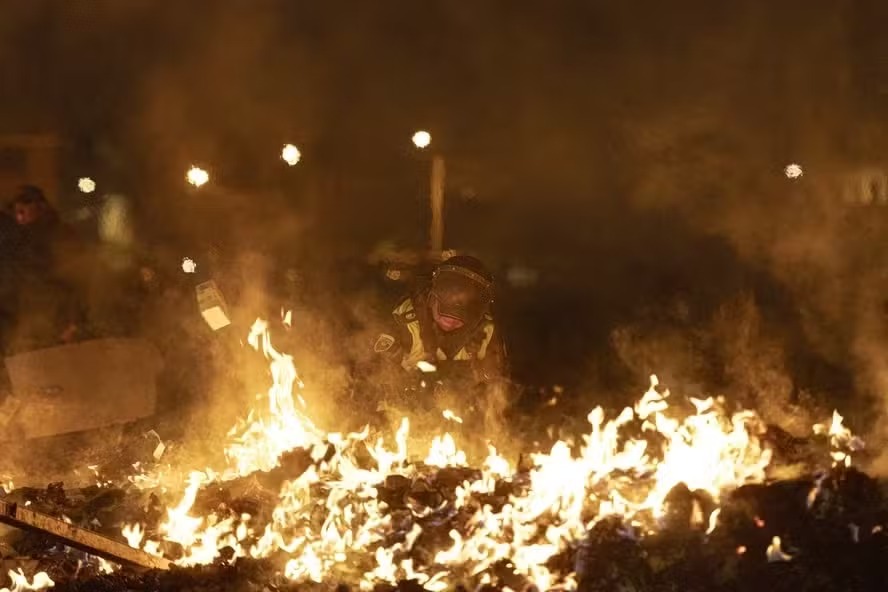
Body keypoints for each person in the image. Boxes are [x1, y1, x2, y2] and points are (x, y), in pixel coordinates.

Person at [373, 255, 508, 387]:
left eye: (467, 305)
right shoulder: (406, 325)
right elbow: (374, 377)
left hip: (460, 405)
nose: (452, 317)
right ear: (432, 297)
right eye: (449, 292)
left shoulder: (486, 332)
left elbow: (495, 388)